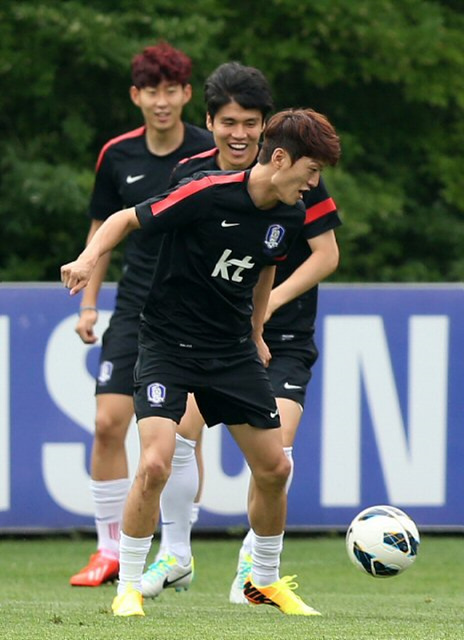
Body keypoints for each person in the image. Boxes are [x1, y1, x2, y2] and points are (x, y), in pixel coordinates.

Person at [61, 107, 341, 617]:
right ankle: (128, 584)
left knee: (276, 467)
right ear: (280, 159)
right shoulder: (205, 191)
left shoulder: (288, 216)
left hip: (231, 352)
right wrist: (86, 259)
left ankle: (265, 580)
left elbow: (261, 274)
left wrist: (256, 333)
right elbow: (125, 218)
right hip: (168, 345)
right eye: (311, 171)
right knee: (154, 462)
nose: (313, 184)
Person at [139, 62, 341, 604]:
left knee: (277, 456)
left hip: (281, 330)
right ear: (209, 122)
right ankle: (176, 554)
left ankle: (255, 569)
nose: (239, 133)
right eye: (228, 122)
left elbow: (324, 254)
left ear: (264, 128)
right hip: (208, 334)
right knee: (180, 433)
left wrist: (267, 310)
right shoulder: (195, 176)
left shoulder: (298, 174)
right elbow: (159, 241)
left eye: (250, 122)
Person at [69, 41, 213, 587]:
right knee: (108, 424)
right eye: (150, 90)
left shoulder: (208, 151)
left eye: (171, 89)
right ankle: (108, 551)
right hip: (134, 306)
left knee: (179, 436)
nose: (161, 100)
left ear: (185, 95)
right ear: (136, 96)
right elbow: (100, 229)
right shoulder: (117, 156)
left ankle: (176, 551)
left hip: (196, 312)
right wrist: (88, 303)